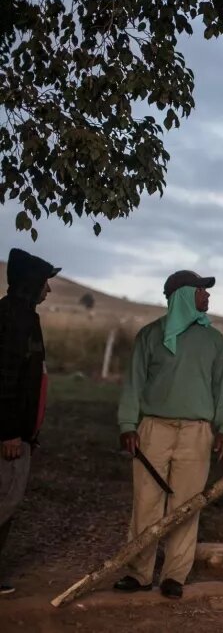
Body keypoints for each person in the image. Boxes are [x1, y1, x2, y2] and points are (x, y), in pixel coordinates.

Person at [114, 270, 223, 600]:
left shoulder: (213, 340)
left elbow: (222, 387)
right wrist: (128, 425)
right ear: (183, 295)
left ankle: (174, 576)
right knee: (145, 504)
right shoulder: (150, 335)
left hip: (197, 433)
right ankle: (139, 574)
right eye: (201, 290)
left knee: (187, 506)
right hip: (153, 429)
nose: (207, 296)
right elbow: (134, 384)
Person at [0, 248, 59, 595]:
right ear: (31, 283)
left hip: (18, 433)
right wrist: (9, 432)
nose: (48, 290)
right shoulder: (15, 319)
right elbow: (5, 380)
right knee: (4, 502)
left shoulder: (21, 315)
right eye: (45, 283)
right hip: (7, 437)